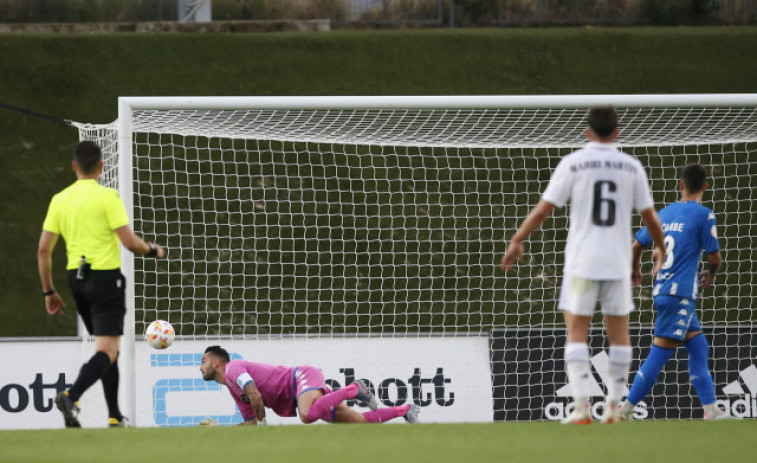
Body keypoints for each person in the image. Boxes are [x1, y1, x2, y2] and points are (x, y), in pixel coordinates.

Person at [501, 106, 666, 425]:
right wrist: (660, 248)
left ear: (587, 132)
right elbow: (650, 217)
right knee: (619, 335)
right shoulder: (631, 166)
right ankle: (614, 408)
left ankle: (581, 408)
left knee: (577, 332)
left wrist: (517, 239)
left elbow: (543, 210)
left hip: (582, 261)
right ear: (618, 133)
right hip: (617, 261)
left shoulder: (574, 163)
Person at [38, 140, 166, 428]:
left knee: (109, 349)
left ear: (74, 166)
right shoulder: (107, 197)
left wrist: (49, 291)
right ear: (101, 167)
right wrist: (154, 250)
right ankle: (71, 396)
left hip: (76, 282)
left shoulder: (60, 199)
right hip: (105, 280)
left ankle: (114, 415)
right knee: (107, 351)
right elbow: (130, 243)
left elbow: (43, 250)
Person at [619, 164, 733, 420]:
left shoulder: (663, 213)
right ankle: (625, 410)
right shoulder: (704, 215)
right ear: (705, 186)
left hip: (665, 291)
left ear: (680, 185)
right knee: (659, 354)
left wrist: (635, 269)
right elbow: (714, 259)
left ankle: (711, 410)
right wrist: (711, 273)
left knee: (699, 346)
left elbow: (636, 245)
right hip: (679, 294)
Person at [198, 345, 419, 426]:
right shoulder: (233, 388)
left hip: (301, 377)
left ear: (217, 362)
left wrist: (264, 425)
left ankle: (353, 389)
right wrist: (222, 431)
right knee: (359, 421)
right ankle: (405, 410)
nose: (200, 367)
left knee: (307, 416)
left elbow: (255, 395)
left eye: (204, 361)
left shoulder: (234, 368)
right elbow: (250, 423)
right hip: (300, 393)